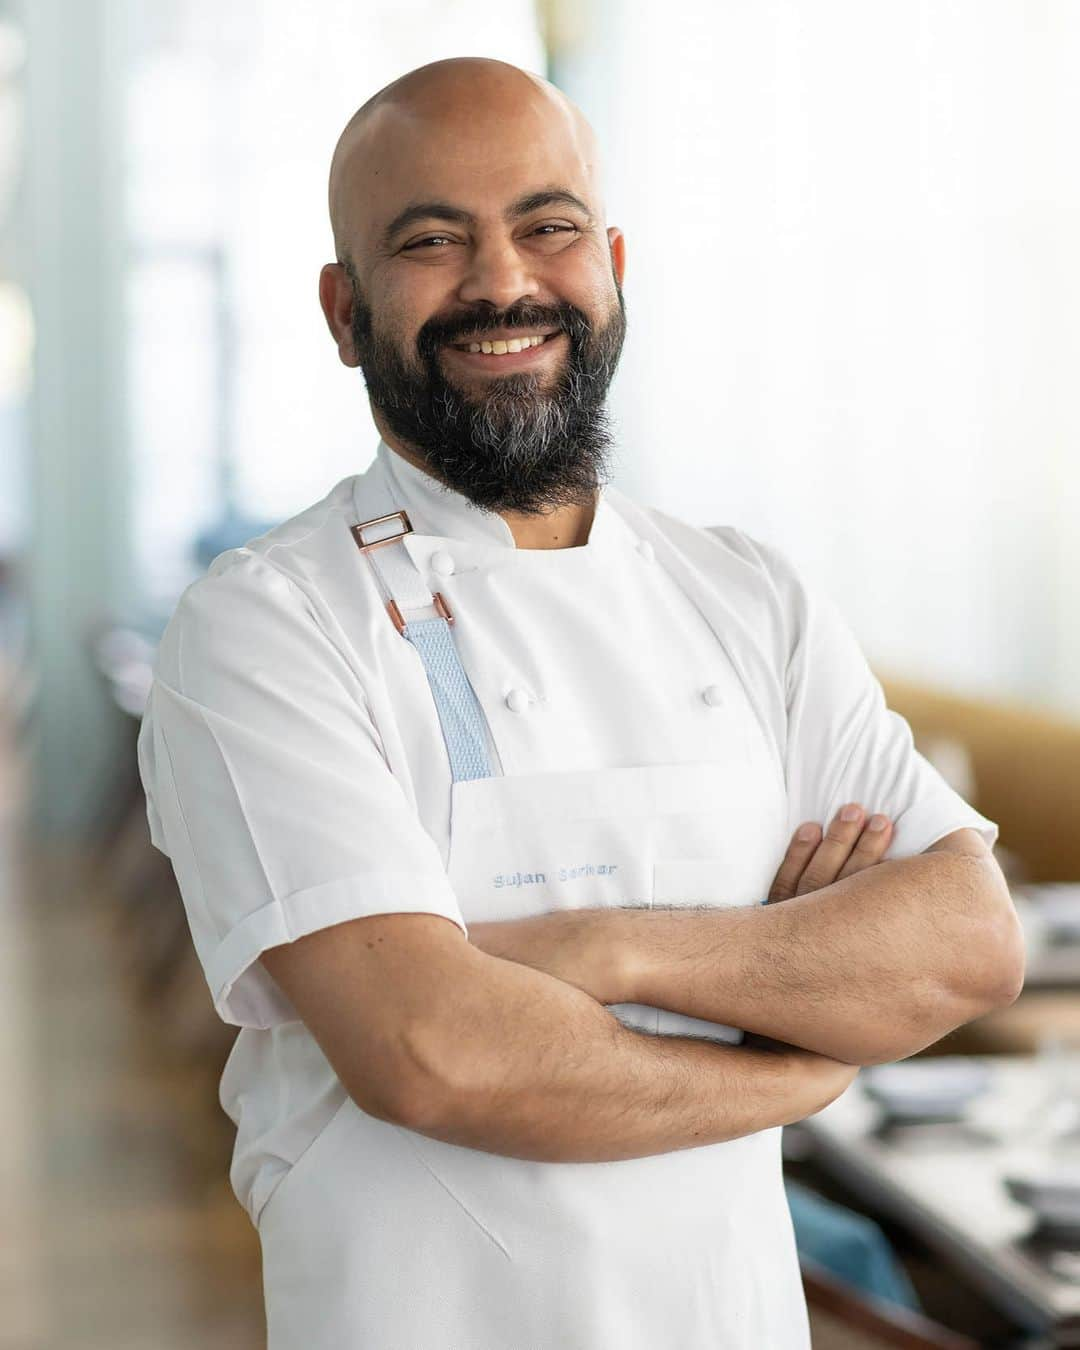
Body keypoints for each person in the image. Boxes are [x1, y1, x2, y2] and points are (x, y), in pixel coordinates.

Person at [136, 56, 1024, 1350]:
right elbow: (433, 1052)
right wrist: (795, 1050)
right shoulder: (267, 622)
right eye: (432, 241)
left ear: (610, 262)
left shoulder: (748, 593)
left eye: (546, 227)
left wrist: (609, 949)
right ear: (342, 310)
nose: (503, 282)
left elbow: (970, 939)